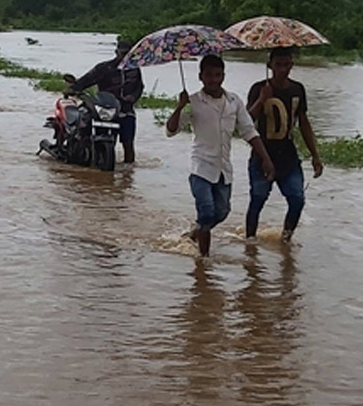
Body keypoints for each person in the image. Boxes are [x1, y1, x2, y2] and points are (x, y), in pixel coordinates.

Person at [166, 54, 276, 257]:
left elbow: (249, 131)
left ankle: (195, 233)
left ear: (223, 76)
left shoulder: (234, 101)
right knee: (207, 212)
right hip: (200, 167)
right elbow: (171, 130)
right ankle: (203, 262)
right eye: (209, 75)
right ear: (201, 76)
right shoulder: (194, 101)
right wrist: (180, 107)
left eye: (217, 75)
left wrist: (266, 158)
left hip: (223, 169)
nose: (213, 80)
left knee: (222, 212)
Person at [245, 46, 324, 242]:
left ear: (292, 65)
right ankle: (250, 243)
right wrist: (262, 100)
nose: (282, 69)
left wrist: (315, 155)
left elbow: (303, 122)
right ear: (270, 65)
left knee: (297, 198)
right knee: (258, 199)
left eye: (287, 64)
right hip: (262, 155)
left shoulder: (297, 89)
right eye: (278, 65)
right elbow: (246, 121)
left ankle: (286, 239)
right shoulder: (259, 88)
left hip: (288, 155)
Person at [69, 36, 144, 163]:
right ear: (117, 53)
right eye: (123, 53)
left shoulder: (135, 70)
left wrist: (133, 97)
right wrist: (74, 88)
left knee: (128, 143)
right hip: (106, 109)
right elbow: (87, 79)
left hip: (126, 110)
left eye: (128, 54)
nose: (125, 57)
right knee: (103, 138)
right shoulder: (104, 68)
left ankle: (128, 173)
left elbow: (139, 87)